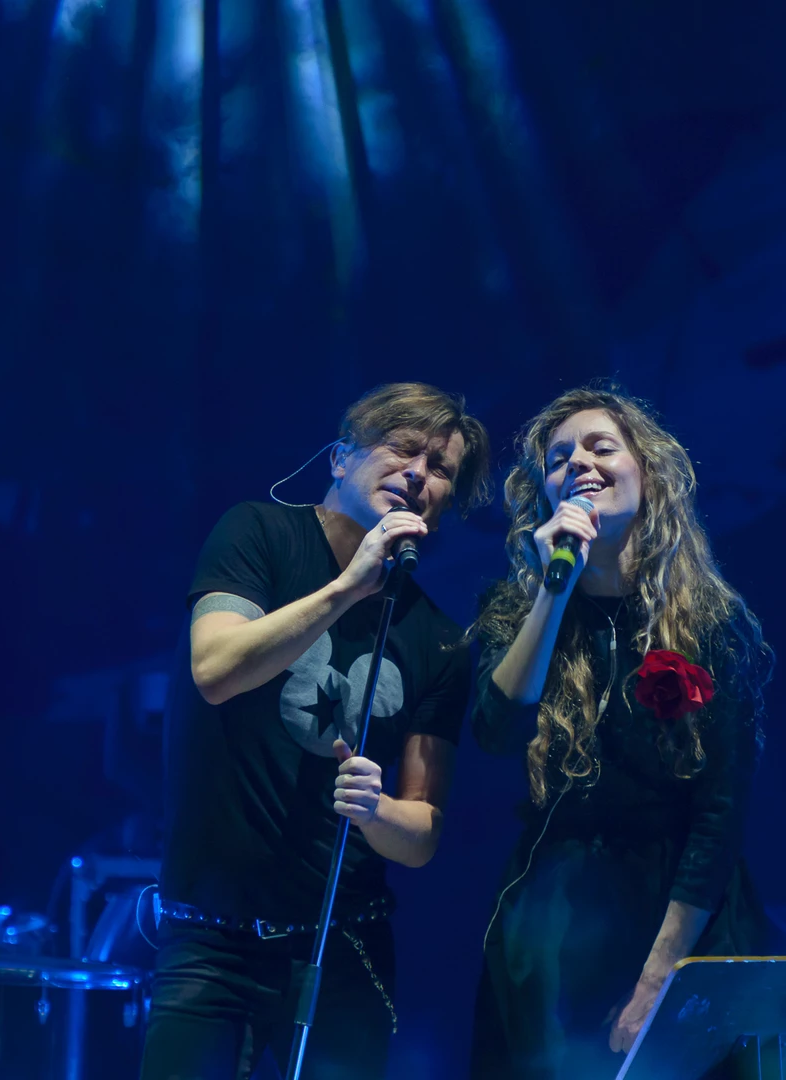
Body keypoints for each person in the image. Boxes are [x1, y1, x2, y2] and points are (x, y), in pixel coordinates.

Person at [142, 383, 491, 1080]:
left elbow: (421, 834)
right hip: (211, 942)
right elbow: (215, 668)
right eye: (401, 448)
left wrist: (378, 810)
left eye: (440, 467)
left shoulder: (441, 642)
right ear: (339, 458)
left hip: (343, 947)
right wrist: (347, 588)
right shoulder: (257, 533)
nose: (417, 473)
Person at [468, 385, 774, 1080]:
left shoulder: (711, 622)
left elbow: (720, 811)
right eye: (557, 458)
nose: (578, 463)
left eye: (600, 447)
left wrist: (661, 974)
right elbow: (496, 731)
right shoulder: (516, 608)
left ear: (648, 472)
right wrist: (552, 589)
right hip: (561, 915)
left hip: (682, 907)